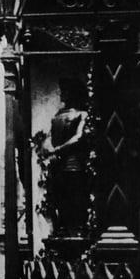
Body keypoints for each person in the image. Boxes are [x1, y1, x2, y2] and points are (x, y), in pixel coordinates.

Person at [44, 77, 90, 236]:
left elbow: (79, 137)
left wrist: (56, 150)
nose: (63, 94)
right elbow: (50, 137)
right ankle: (64, 227)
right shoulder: (57, 115)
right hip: (60, 164)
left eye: (66, 91)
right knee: (61, 198)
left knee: (75, 197)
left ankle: (76, 228)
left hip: (73, 163)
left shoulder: (81, 114)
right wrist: (52, 149)